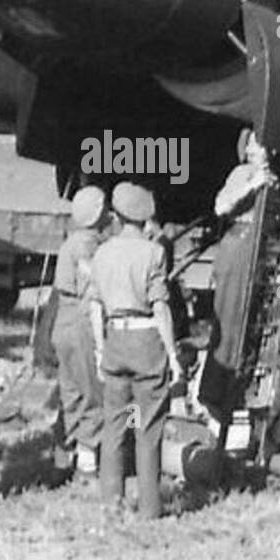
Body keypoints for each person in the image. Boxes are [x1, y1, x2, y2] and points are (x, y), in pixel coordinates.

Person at [88, 183, 183, 520]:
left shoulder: (101, 253)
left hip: (114, 341)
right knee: (148, 427)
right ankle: (149, 508)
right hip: (146, 344)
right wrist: (172, 354)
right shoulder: (153, 253)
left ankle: (110, 503)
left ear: (116, 214)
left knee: (114, 426)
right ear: (145, 217)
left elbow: (95, 308)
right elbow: (161, 308)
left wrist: (101, 350)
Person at [199, 128, 275, 422]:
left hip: (258, 251)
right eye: (257, 143)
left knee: (251, 323)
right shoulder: (242, 173)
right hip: (239, 247)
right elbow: (221, 206)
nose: (263, 148)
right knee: (229, 321)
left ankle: (237, 392)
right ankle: (214, 393)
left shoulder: (273, 176)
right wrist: (253, 183)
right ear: (248, 150)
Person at [51, 185, 108, 477]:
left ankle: (65, 459)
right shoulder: (90, 245)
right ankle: (87, 463)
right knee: (92, 393)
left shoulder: (69, 242)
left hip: (63, 321)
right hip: (83, 322)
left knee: (70, 391)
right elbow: (93, 291)